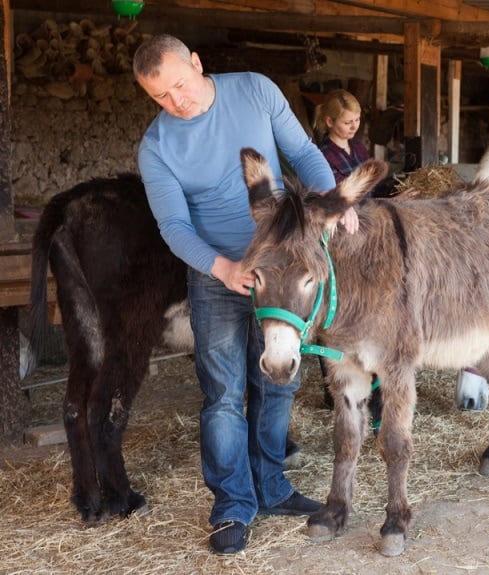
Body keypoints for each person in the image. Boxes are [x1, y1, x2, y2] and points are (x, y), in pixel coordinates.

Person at [132, 34, 358, 555]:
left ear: (196, 62)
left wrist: (329, 203)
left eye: (181, 86)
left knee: (278, 384)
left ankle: (273, 487)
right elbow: (172, 225)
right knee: (225, 396)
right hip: (219, 278)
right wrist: (225, 268)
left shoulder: (255, 91)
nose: (177, 102)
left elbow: (302, 152)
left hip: (280, 271)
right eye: (161, 96)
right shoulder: (157, 147)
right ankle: (233, 505)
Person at [314, 89, 370, 184]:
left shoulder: (360, 149)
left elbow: (374, 187)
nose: (354, 127)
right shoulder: (322, 156)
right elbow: (339, 193)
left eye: (357, 120)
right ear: (330, 122)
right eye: (347, 123)